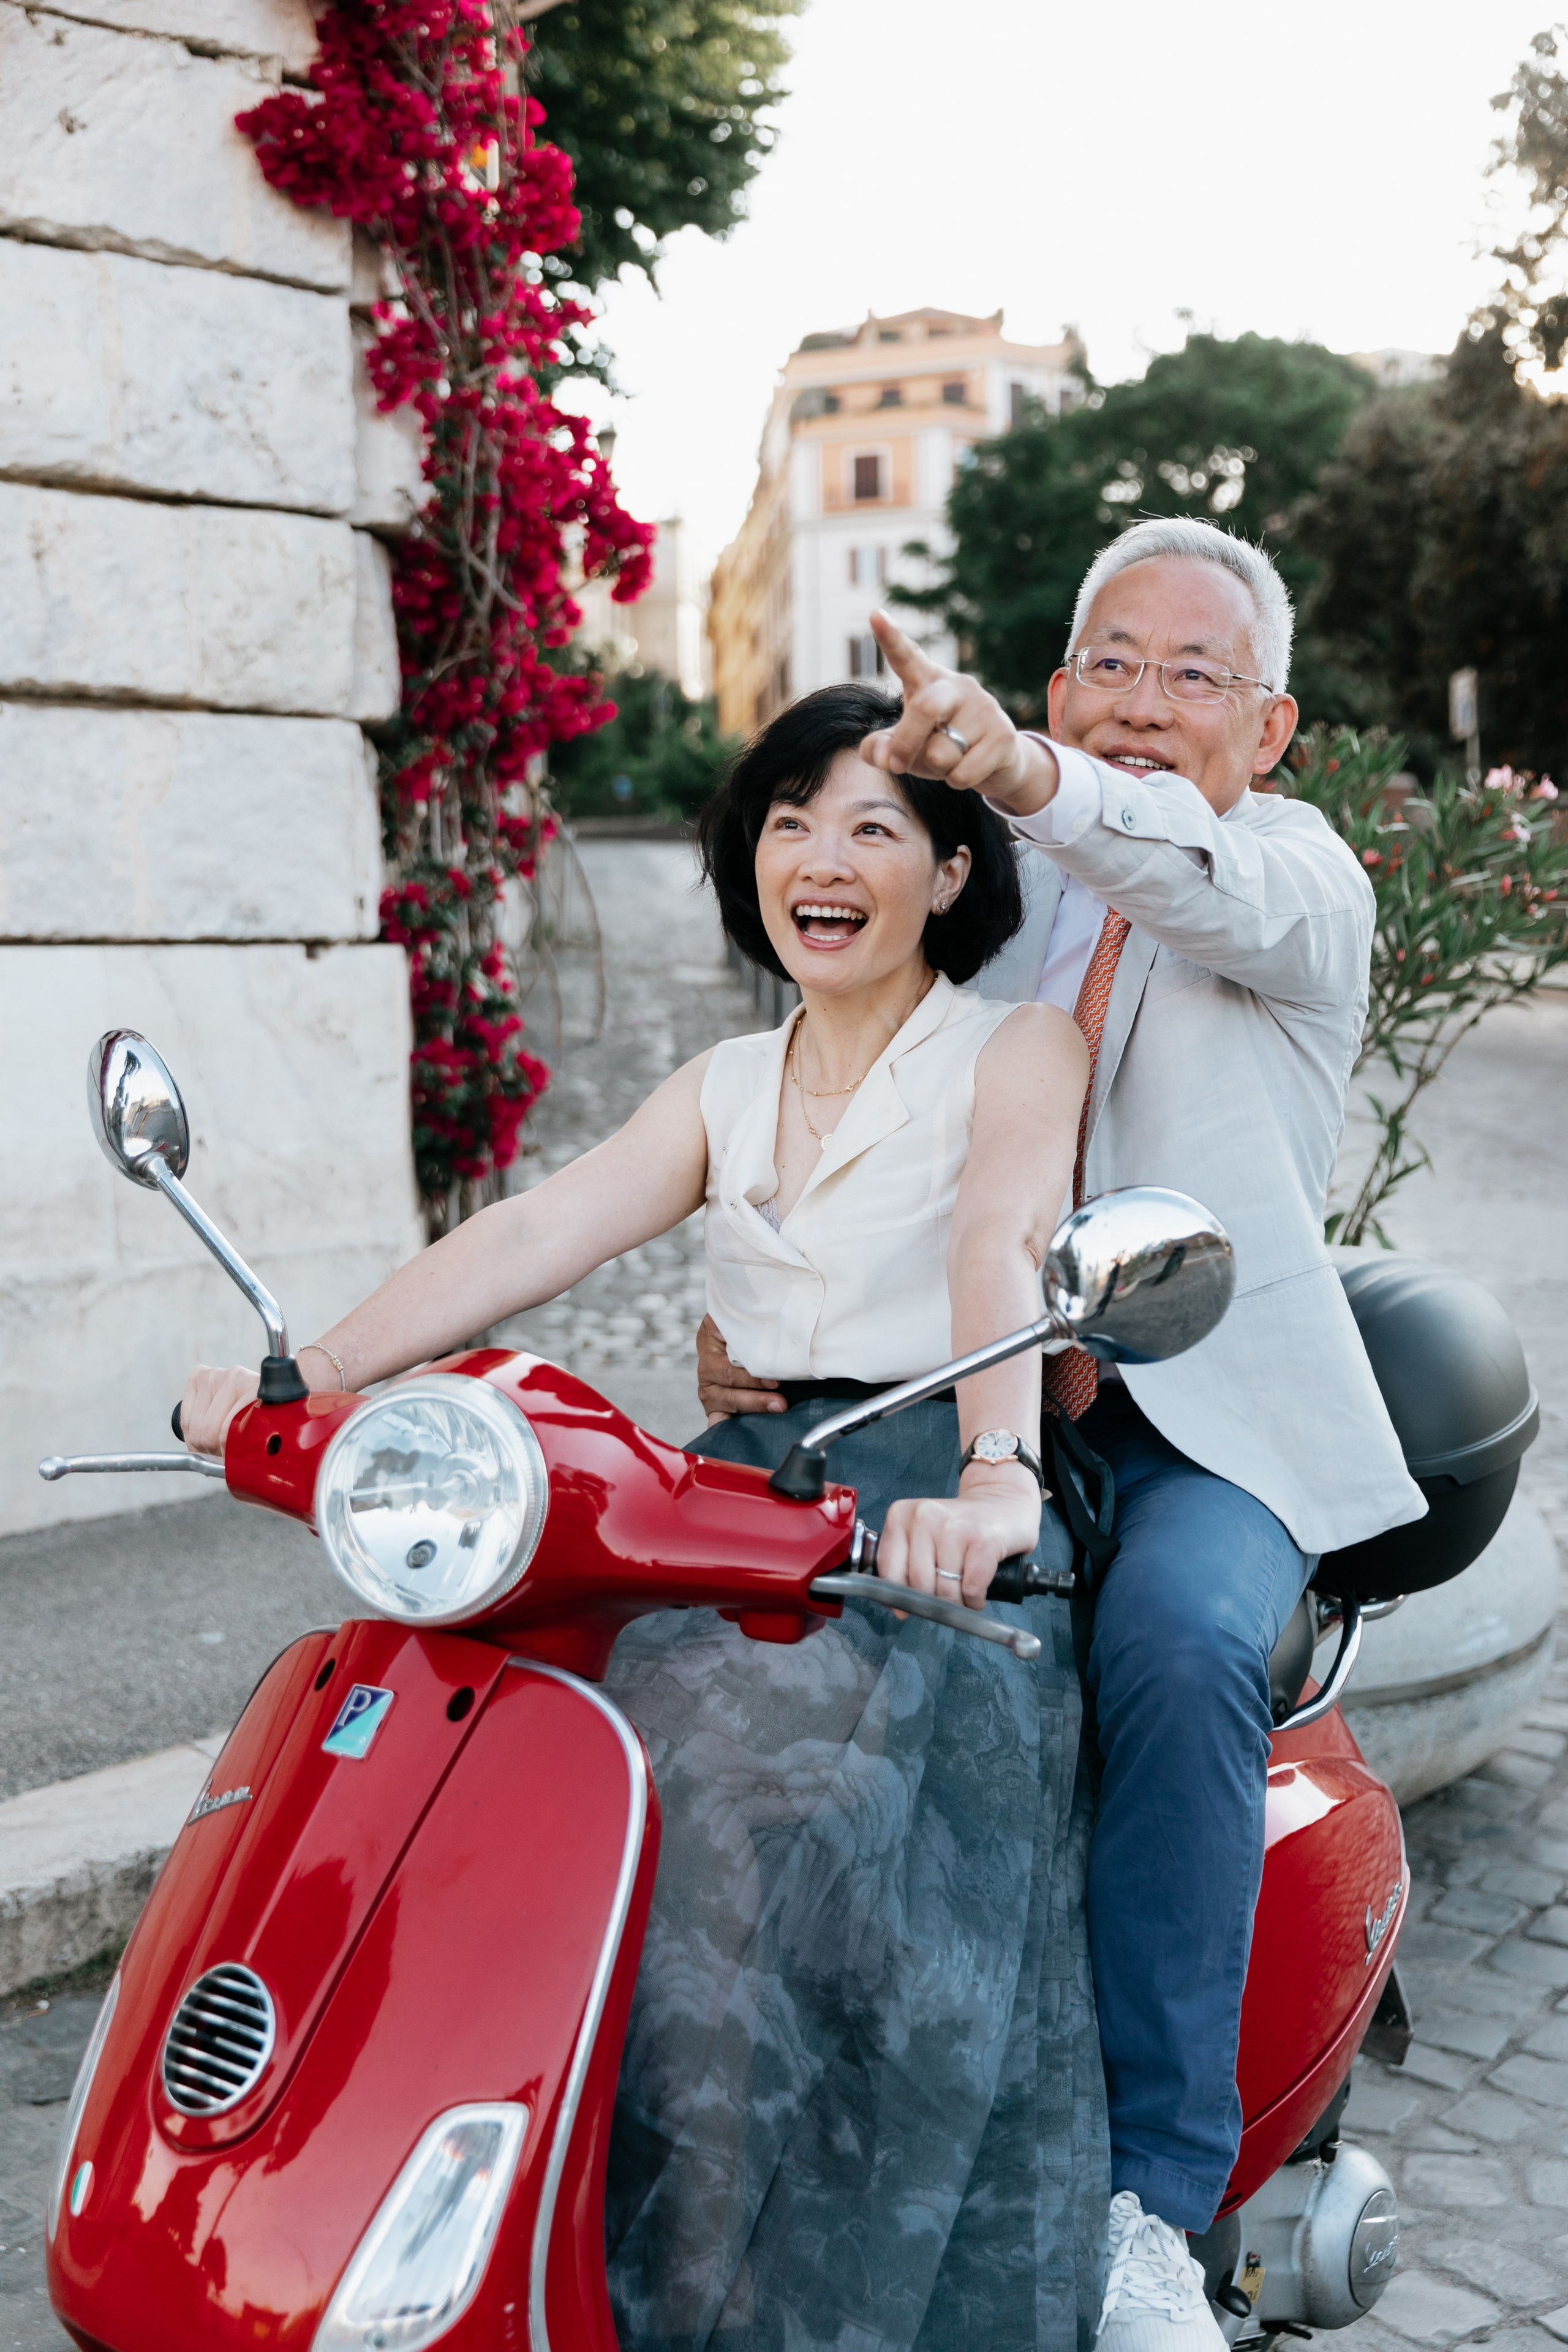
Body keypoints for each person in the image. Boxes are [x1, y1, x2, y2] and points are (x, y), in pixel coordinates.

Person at [181, 682, 1108, 2352]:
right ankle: (484, 2212)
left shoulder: (1015, 1047)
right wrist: (309, 1374)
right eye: (790, 822)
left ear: (954, 872)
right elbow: (541, 1228)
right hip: (742, 1485)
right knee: (515, 1734)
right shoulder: (729, 1079)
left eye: (875, 828)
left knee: (724, 1801)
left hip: (935, 1491)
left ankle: (721, 2292)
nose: (823, 860)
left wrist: (993, 1476)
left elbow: (1004, 1237)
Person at [696, 518, 1428, 2352]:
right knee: (754, 1622)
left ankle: (1151, 2217)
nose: (1144, 703)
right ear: (1056, 682)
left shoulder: (1292, 878)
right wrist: (767, 1292)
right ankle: (758, 2121)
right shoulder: (988, 888)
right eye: (1111, 664)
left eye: (1194, 676)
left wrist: (1031, 775)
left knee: (1175, 1647)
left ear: (1270, 729)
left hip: (1200, 1424)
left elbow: (1180, 870)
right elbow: (854, 1077)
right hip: (967, 1387)